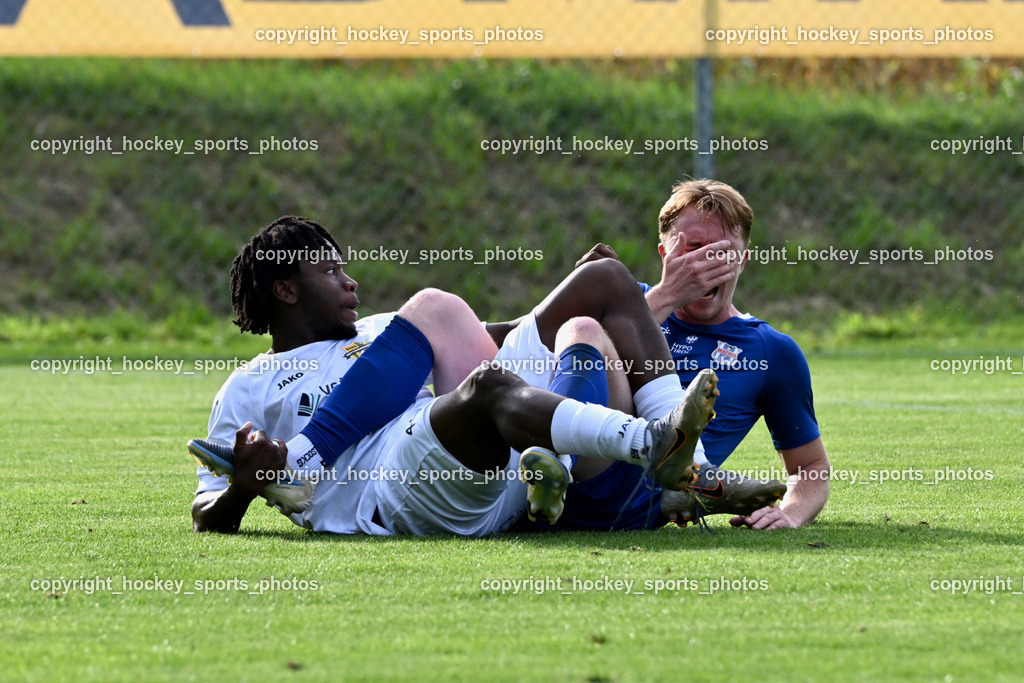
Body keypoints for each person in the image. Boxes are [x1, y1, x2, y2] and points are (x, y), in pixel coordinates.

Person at [190, 215, 740, 536]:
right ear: (285, 290)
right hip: (394, 490)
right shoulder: (248, 386)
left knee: (605, 278)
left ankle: (693, 467)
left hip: (478, 459)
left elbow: (497, 333)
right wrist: (244, 484)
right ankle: (651, 444)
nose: (350, 283)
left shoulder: (384, 329)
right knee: (481, 376)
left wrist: (569, 290)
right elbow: (205, 515)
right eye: (331, 271)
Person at [575, 179, 831, 530]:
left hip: (634, 499)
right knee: (583, 331)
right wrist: (663, 298)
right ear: (665, 255)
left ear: (742, 262)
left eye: (722, 253)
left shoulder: (771, 350)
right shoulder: (626, 301)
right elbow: (543, 370)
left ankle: (685, 477)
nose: (703, 265)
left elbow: (811, 466)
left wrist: (790, 513)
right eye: (693, 248)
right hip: (562, 464)